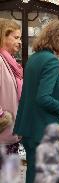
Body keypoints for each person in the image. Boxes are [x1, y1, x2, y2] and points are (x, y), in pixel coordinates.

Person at [13, 20, 59, 183]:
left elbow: (30, 95)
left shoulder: (35, 58)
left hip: (29, 127)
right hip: (42, 129)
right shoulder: (51, 61)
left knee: (34, 175)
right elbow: (43, 97)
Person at [0, 18, 22, 152]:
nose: (20, 42)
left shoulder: (10, 61)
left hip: (10, 134)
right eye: (16, 37)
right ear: (3, 36)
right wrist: (2, 117)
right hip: (3, 134)